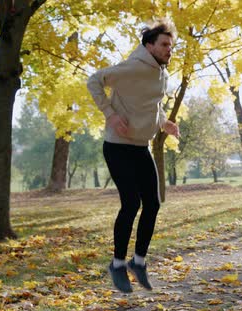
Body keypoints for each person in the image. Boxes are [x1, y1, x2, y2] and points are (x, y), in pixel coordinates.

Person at [87, 19, 179, 293]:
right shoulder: (133, 68)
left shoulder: (160, 72)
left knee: (153, 203)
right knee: (131, 203)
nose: (169, 50)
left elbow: (152, 105)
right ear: (149, 45)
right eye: (164, 44)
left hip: (141, 146)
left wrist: (165, 123)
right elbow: (94, 81)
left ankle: (137, 262)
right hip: (117, 146)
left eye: (171, 46)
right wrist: (111, 114)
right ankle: (116, 265)